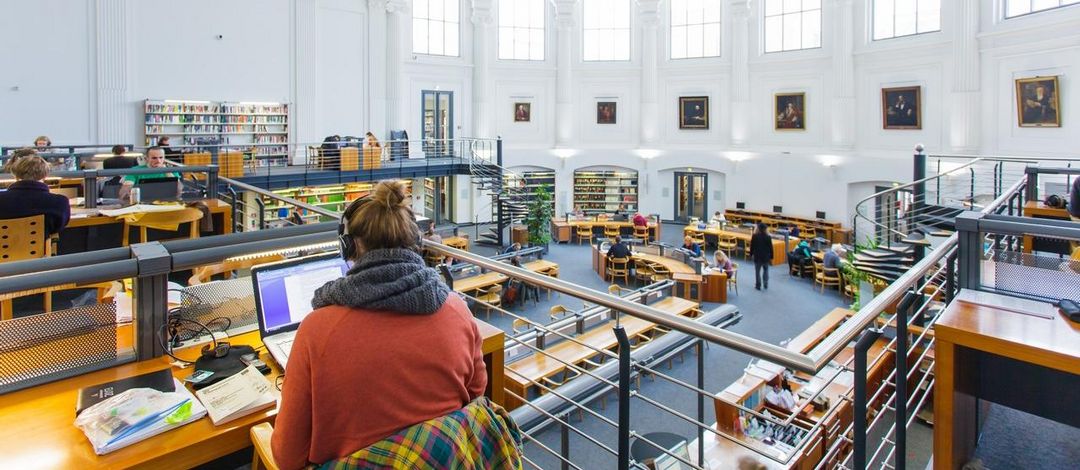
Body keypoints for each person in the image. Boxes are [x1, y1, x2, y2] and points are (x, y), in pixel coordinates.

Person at [272, 181, 489, 469]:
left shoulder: (316, 330)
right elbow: (475, 395)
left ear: (347, 246)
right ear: (416, 244)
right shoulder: (456, 310)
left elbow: (287, 457)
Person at [0, 150, 71, 237]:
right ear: (45, 176)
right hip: (39, 250)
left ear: (15, 175)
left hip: (3, 249)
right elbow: (58, 227)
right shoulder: (60, 202)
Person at [750, 223, 773, 290]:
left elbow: (752, 246)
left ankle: (758, 285)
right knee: (766, 270)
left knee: (757, 272)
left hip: (757, 256)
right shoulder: (768, 237)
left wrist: (751, 254)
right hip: (766, 257)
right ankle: (765, 284)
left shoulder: (754, 236)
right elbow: (770, 248)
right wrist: (771, 256)